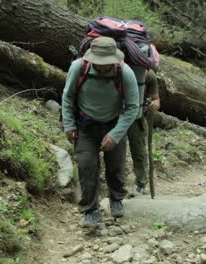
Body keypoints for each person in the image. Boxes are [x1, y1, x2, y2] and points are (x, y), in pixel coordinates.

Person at [62, 37, 139, 228]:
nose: (103, 66)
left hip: (114, 124)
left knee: (115, 165)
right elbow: (67, 97)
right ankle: (90, 210)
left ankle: (116, 199)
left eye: (107, 63)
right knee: (87, 166)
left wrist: (115, 134)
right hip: (85, 126)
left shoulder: (125, 73)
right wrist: (69, 124)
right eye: (99, 62)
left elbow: (132, 107)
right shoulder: (78, 68)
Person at [127, 69, 160, 197]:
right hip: (116, 113)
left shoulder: (149, 75)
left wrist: (154, 104)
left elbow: (156, 99)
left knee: (139, 150)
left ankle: (140, 183)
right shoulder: (117, 68)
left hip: (137, 116)